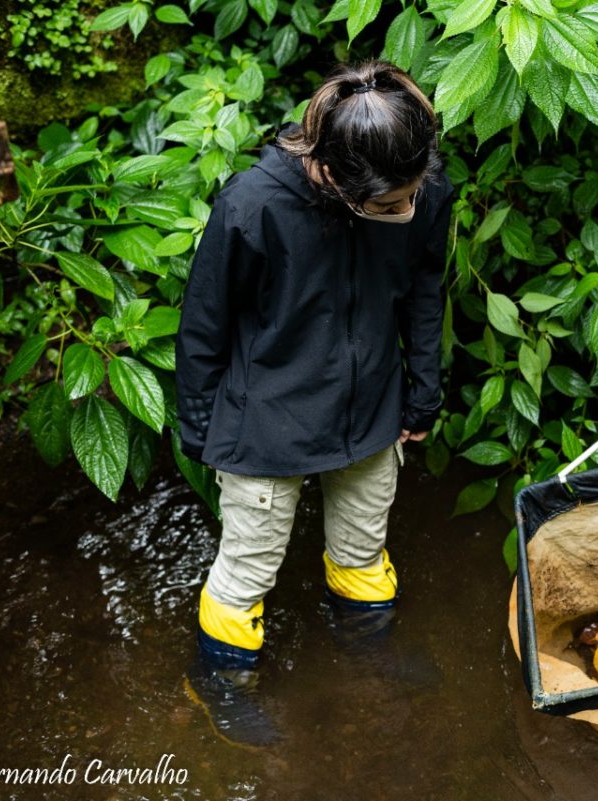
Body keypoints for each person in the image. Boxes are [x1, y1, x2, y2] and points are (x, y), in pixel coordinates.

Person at [175, 61, 452, 743]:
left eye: (414, 194)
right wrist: (202, 431)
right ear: (334, 177)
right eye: (390, 206)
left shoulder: (419, 182)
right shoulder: (252, 205)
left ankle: (368, 656)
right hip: (266, 418)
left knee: (363, 551)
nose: (408, 211)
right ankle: (220, 684)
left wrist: (423, 391)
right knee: (248, 567)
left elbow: (423, 286)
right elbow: (204, 324)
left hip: (371, 408)